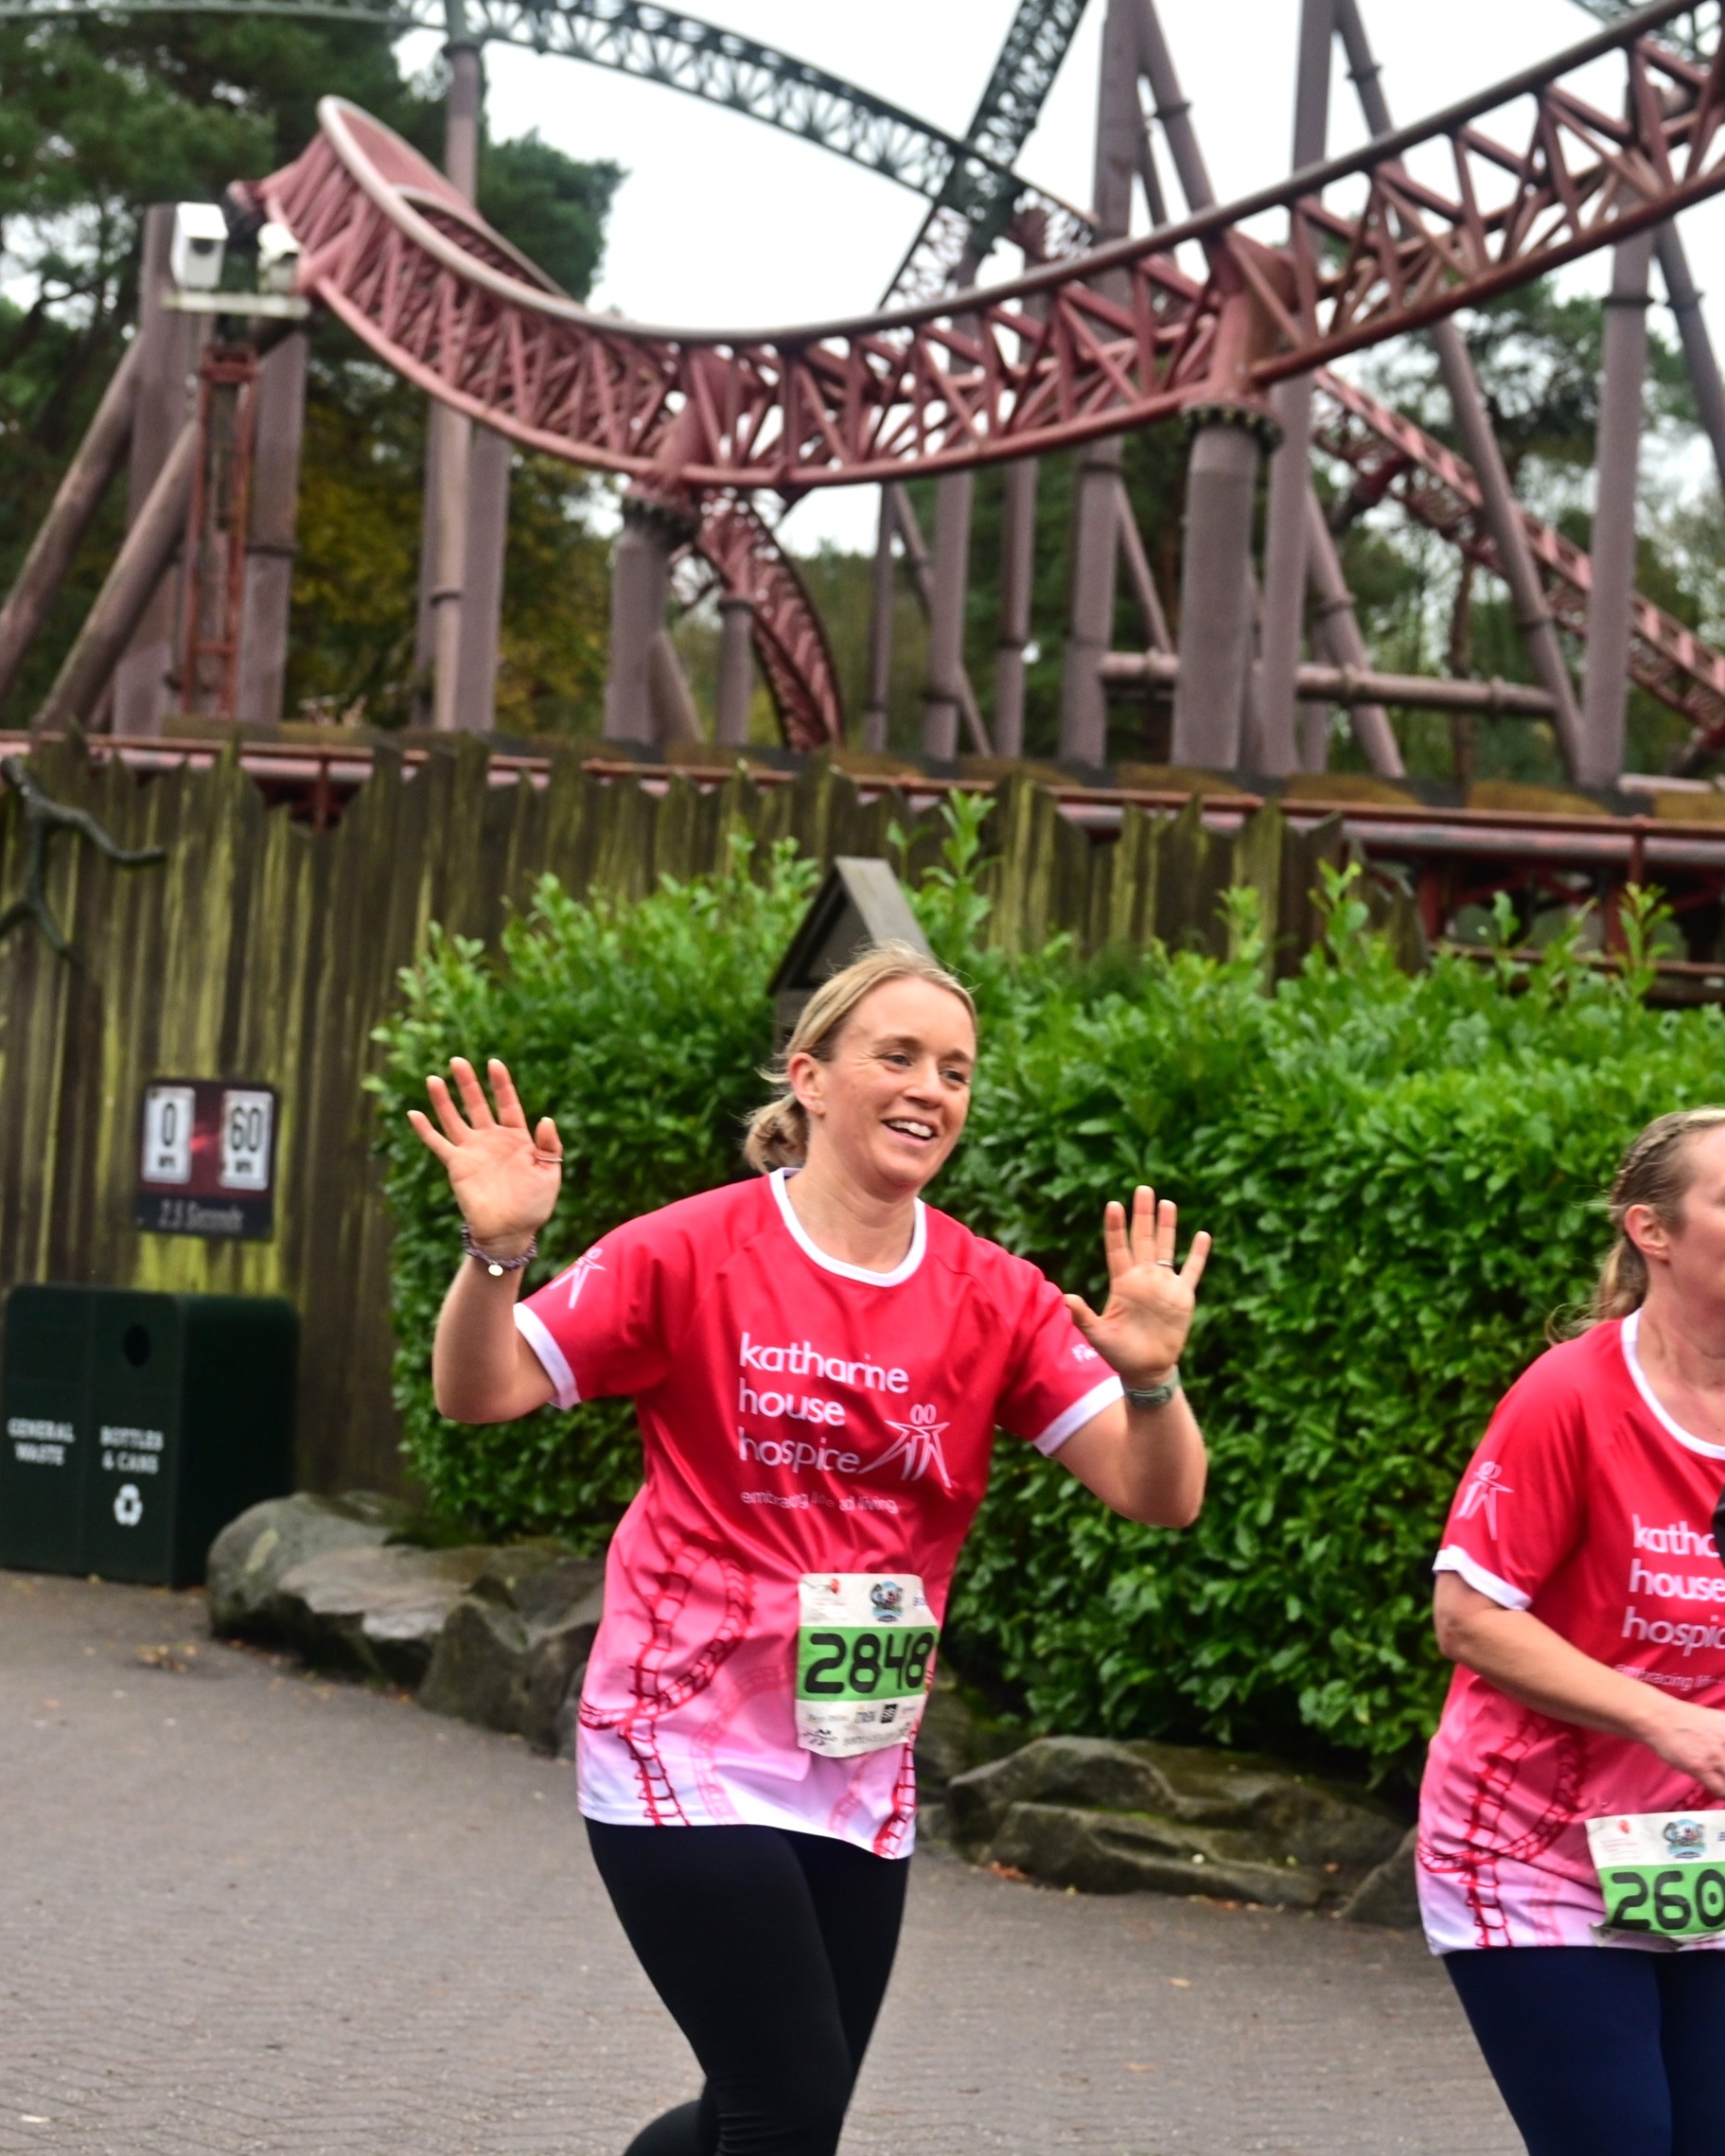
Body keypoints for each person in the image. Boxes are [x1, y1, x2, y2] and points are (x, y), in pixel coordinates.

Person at [409, 941, 1210, 2156]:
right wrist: (497, 1256)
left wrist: (1150, 1384)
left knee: (775, 2106)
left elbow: (1159, 1497)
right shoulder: (690, 1247)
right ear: (811, 1078)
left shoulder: (993, 1294)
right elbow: (483, 1389)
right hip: (678, 1740)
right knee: (784, 2112)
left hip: (853, 1755)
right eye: (895, 1055)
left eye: (954, 1069)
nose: (928, 1088)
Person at [1420, 1107, 1725, 2156]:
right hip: (1532, 1855)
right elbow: (1466, 1619)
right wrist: (1669, 1721)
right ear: (1653, 1230)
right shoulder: (1569, 1396)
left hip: (1699, 1851)